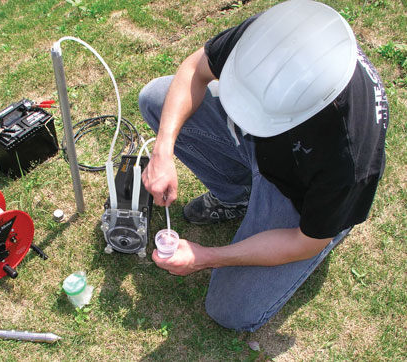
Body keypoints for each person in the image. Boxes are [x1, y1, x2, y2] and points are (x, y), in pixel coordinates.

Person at [138, 0, 388, 332]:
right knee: (158, 97)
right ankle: (239, 194)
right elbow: (195, 70)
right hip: (277, 154)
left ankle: (332, 224)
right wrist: (162, 152)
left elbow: (303, 243)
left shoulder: (348, 159)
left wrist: (206, 257)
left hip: (301, 196)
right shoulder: (277, 37)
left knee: (230, 309)